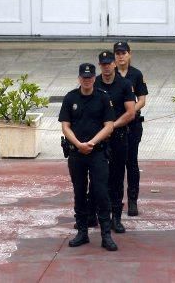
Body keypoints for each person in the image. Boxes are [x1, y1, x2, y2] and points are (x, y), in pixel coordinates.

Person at [59, 63, 118, 251]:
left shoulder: (103, 98)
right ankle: (82, 232)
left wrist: (92, 143)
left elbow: (109, 125)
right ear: (79, 78)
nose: (87, 80)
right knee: (79, 192)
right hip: (77, 153)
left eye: (90, 77)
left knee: (101, 192)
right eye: (84, 77)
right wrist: (78, 144)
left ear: (94, 77)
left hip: (97, 152)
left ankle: (106, 235)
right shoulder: (70, 98)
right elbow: (65, 126)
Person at [95, 50, 137, 233]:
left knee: (117, 178)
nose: (106, 67)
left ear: (114, 64)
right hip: (98, 139)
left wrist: (111, 127)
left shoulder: (125, 84)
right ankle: (94, 215)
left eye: (108, 63)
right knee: (97, 178)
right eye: (103, 64)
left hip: (118, 137)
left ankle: (116, 218)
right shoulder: (94, 83)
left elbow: (130, 112)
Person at [114, 41, 148, 217]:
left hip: (132, 125)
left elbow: (142, 99)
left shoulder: (136, 74)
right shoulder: (109, 75)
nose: (121, 56)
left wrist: (129, 112)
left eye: (123, 53)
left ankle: (132, 200)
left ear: (129, 54)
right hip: (113, 126)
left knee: (131, 163)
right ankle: (115, 201)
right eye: (118, 53)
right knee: (114, 165)